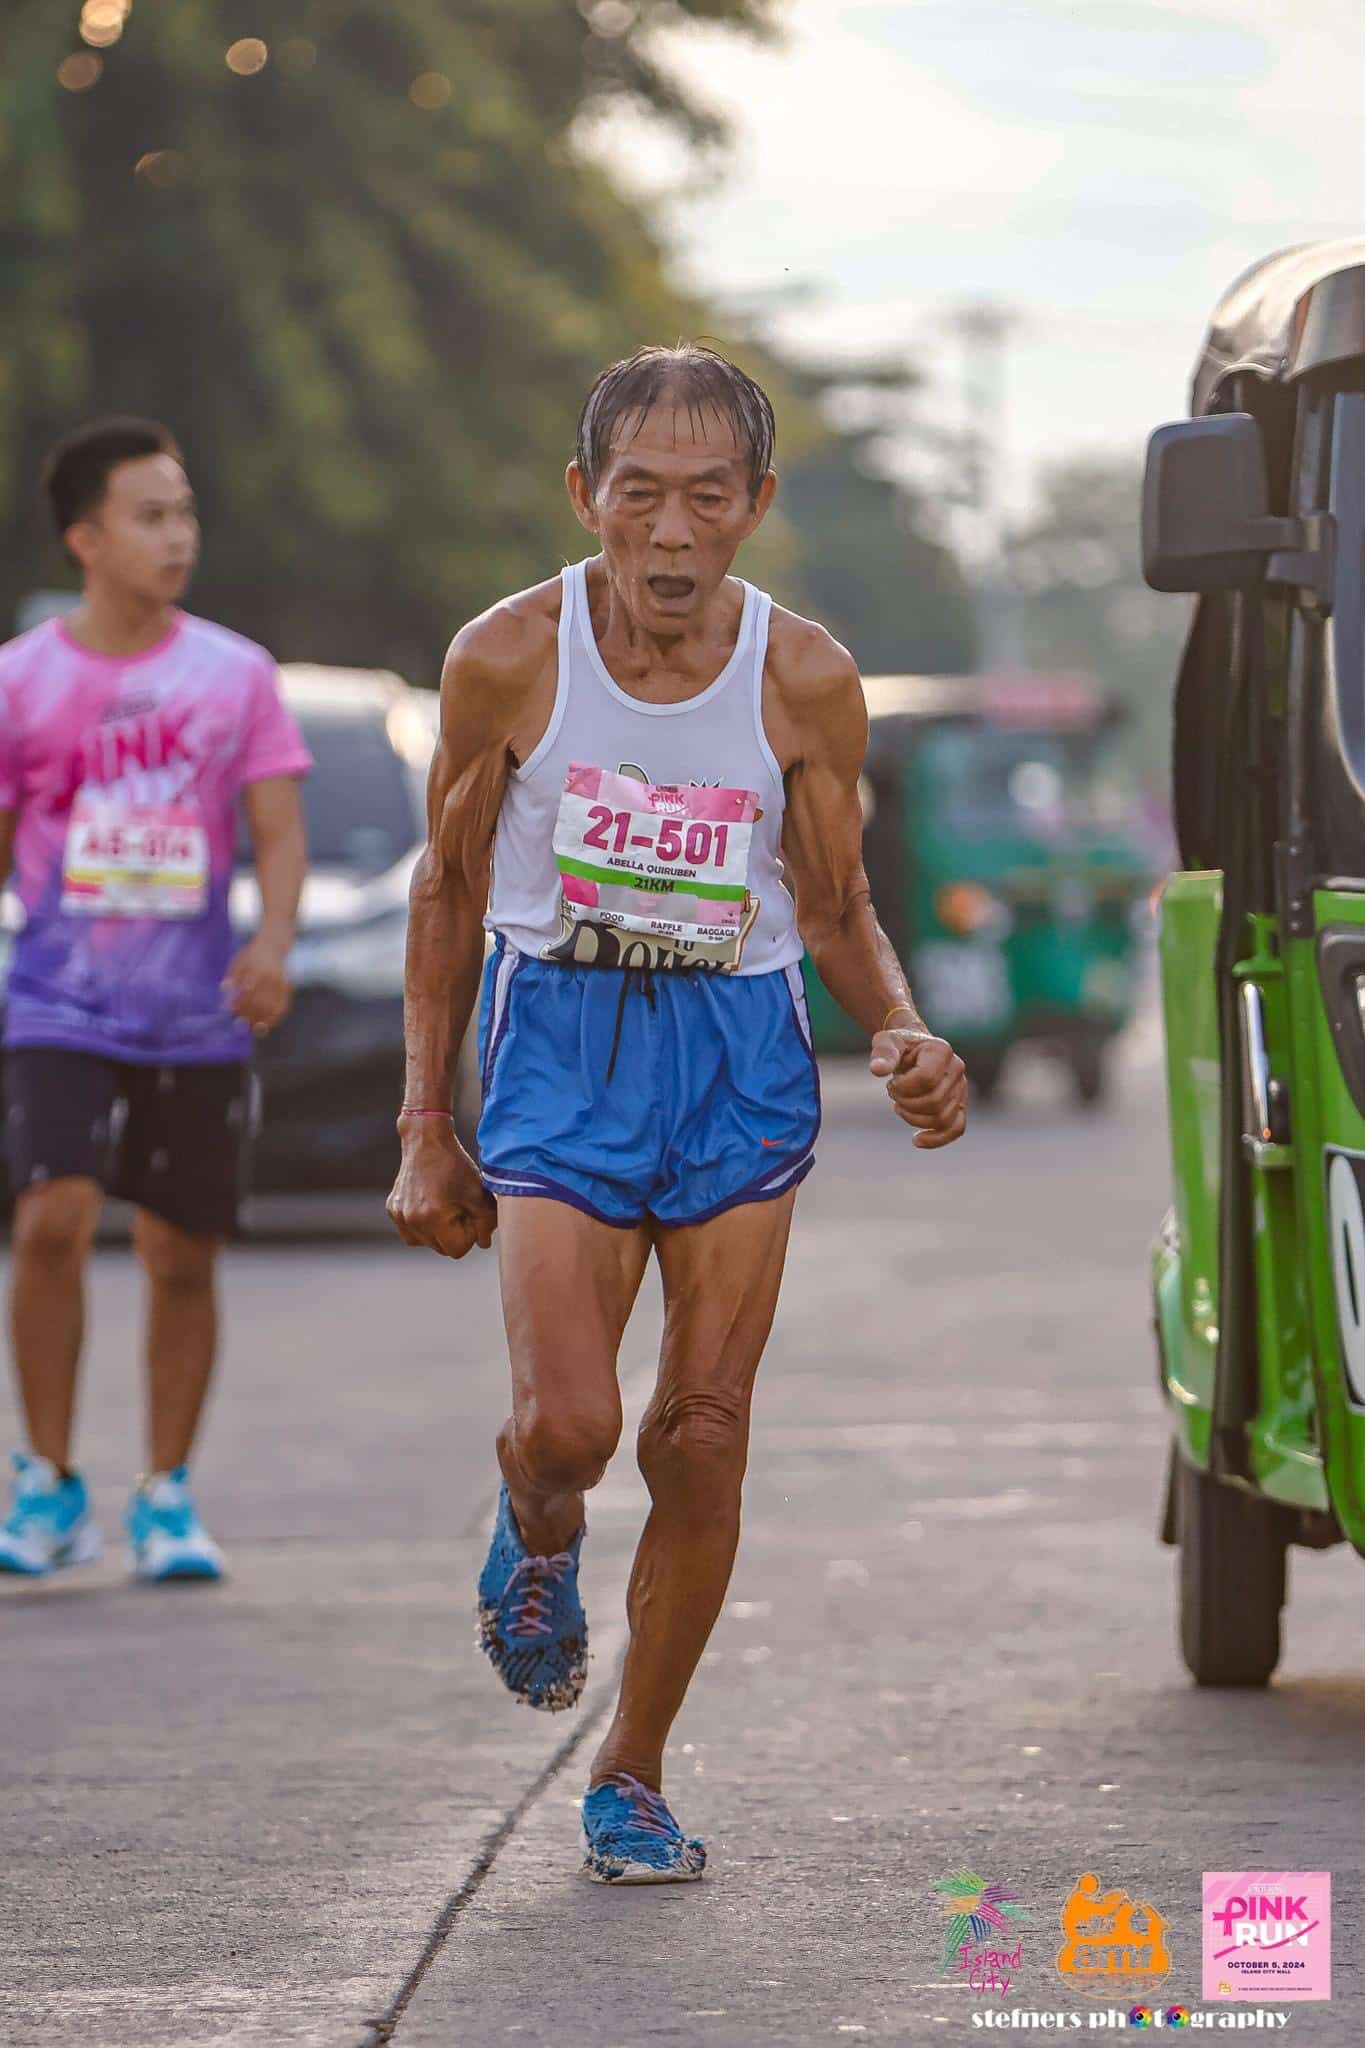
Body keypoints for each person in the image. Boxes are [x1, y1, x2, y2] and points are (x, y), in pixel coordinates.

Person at [387, 347, 966, 1883]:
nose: (666, 533)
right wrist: (421, 1128)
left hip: (736, 1053)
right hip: (559, 1045)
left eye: (706, 498)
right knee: (571, 1426)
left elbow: (836, 904)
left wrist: (902, 1028)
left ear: (754, 507)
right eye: (635, 494)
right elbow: (445, 890)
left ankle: (628, 1775)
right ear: (585, 497)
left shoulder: (805, 678)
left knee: (700, 1438)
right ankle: (536, 1520)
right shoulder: (506, 660)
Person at [0, 418, 311, 1581]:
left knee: (185, 1252)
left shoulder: (235, 674)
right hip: (56, 1002)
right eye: (149, 514)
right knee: (51, 1219)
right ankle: (44, 1480)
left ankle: (167, 1494)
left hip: (197, 1011)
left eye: (184, 512)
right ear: (85, 536)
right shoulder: (21, 682)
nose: (176, 535)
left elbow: (278, 833)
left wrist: (271, 943)